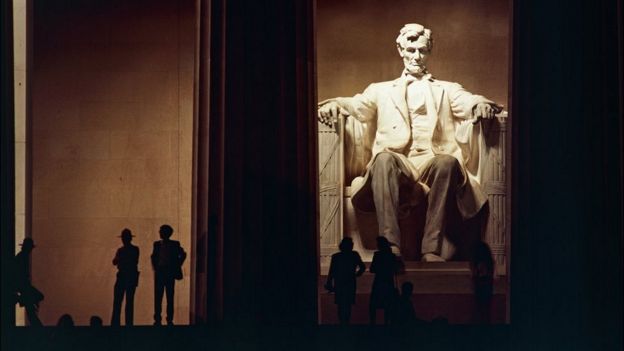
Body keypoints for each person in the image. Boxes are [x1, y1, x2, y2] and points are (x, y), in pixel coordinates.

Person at [318, 23, 503, 262]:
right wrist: (333, 104)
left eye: (422, 51)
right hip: (397, 163)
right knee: (383, 159)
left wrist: (481, 105)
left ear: (429, 52)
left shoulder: (447, 89)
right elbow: (356, 106)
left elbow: (468, 101)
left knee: (447, 162)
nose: (417, 56)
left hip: (431, 162)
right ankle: (390, 247)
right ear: (401, 50)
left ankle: (431, 250)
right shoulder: (380, 90)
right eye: (411, 49)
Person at [324, 237, 366, 324]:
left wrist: (329, 282)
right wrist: (357, 274)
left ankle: (342, 323)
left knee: (340, 304)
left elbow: (332, 271)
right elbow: (362, 267)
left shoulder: (336, 257)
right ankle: (346, 323)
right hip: (350, 281)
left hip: (339, 281)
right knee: (348, 305)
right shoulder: (354, 255)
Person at [151, 224, 186, 326]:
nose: (160, 233)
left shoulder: (174, 244)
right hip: (161, 271)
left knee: (168, 296)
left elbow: (183, 254)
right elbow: (154, 256)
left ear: (166, 233)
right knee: (160, 296)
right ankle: (159, 317)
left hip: (167, 271)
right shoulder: (157, 244)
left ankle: (167, 318)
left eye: (161, 231)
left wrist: (177, 265)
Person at [110, 228, 139, 327]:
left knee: (118, 301)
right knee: (128, 302)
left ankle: (116, 324)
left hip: (123, 276)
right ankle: (128, 324)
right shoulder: (134, 249)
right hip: (129, 276)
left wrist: (120, 259)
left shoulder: (121, 250)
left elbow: (115, 262)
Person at [12, 238, 44, 326]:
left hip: (23, 286)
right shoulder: (22, 257)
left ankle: (22, 299)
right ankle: (21, 299)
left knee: (30, 308)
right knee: (36, 300)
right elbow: (20, 275)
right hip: (23, 286)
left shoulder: (21, 257)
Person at [369, 236, 399, 324]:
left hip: (379, 281)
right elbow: (395, 269)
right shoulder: (391, 256)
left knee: (374, 305)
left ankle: (373, 323)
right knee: (388, 305)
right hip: (388, 282)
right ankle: (386, 323)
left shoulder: (378, 255)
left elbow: (372, 269)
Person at [471, 241, 494, 324]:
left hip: (480, 285)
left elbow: (478, 273)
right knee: (485, 310)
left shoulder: (478, 264)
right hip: (486, 285)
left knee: (479, 309)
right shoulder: (489, 263)